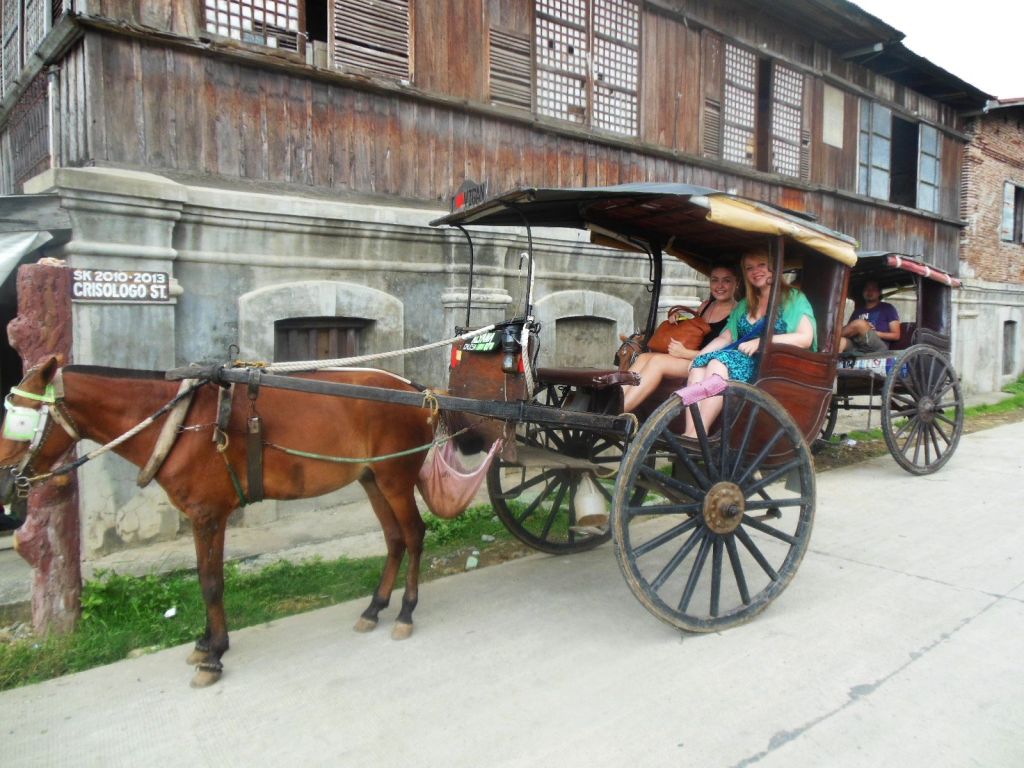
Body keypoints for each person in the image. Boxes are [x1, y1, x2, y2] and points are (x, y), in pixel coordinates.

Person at [684, 248, 816, 437]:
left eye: (761, 265)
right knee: (698, 368)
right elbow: (725, 337)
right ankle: (690, 433)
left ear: (774, 267)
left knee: (717, 363)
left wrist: (762, 343)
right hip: (740, 359)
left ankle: (699, 434)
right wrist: (700, 355)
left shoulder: (793, 298)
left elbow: (805, 338)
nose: (756, 271)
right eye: (749, 268)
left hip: (770, 366)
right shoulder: (747, 303)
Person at [621, 264, 740, 413]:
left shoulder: (738, 311)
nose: (720, 286)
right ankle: (614, 404)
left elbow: (727, 353)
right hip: (688, 357)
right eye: (715, 280)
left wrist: (685, 353)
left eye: (726, 281)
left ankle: (621, 411)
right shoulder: (705, 305)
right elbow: (697, 329)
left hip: (707, 364)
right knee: (644, 357)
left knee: (657, 362)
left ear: (737, 283)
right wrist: (679, 319)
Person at [839, 280, 900, 356]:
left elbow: (896, 335)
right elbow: (849, 329)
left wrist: (873, 332)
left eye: (873, 289)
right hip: (858, 344)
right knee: (840, 342)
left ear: (879, 292)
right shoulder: (858, 311)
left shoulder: (888, 308)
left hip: (877, 346)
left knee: (859, 323)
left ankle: (830, 338)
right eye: (867, 289)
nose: (869, 291)